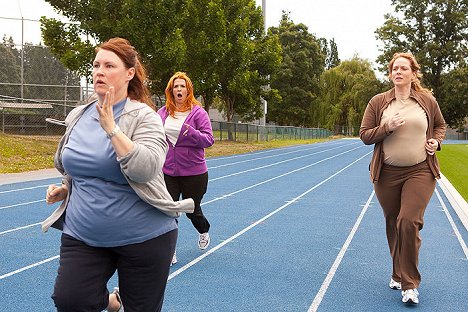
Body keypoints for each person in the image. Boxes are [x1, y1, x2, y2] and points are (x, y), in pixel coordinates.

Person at [42, 37, 194, 312]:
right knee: (70, 301)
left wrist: (112, 129)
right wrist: (66, 187)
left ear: (129, 73)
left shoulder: (144, 117)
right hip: (83, 234)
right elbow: (70, 163)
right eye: (96, 65)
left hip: (145, 238)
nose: (99, 71)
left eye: (109, 65)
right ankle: (112, 302)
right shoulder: (78, 114)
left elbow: (145, 169)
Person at [360, 52, 446, 305]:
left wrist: (436, 141)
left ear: (413, 73)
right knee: (393, 222)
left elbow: (440, 126)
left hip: (420, 170)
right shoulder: (378, 102)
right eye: (394, 68)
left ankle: (410, 285)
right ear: (390, 74)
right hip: (386, 173)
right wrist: (387, 128)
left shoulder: (427, 101)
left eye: (403, 68)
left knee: (408, 222)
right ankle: (397, 273)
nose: (398, 72)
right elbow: (365, 135)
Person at [157, 72, 215, 264]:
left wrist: (192, 133)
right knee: (168, 211)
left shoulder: (198, 113)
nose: (179, 89)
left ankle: (203, 230)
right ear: (171, 91)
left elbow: (208, 140)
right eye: (176, 87)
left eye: (182, 86)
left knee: (192, 211)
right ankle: (170, 251)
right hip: (168, 172)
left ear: (188, 90)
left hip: (194, 173)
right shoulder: (162, 113)